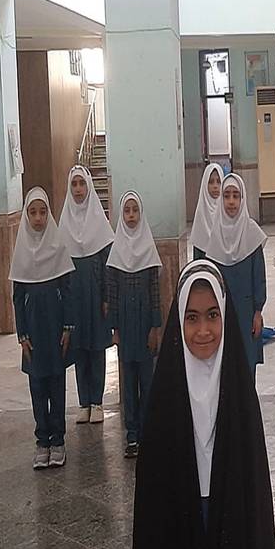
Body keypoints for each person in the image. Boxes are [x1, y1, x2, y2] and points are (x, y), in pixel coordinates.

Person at [131, 260, 275, 549]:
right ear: (178, 322)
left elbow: (251, 507)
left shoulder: (241, 400)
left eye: (213, 315)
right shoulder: (163, 403)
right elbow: (154, 516)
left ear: (226, 317)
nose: (203, 331)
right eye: (192, 317)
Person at [10, 188, 76, 471]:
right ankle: (42, 441)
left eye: (42, 212)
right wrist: (22, 335)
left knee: (57, 385)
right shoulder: (21, 252)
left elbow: (68, 292)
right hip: (33, 335)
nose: (38, 218)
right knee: (37, 386)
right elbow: (17, 297)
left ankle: (58, 440)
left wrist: (68, 328)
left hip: (55, 331)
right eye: (33, 212)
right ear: (26, 215)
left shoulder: (57, 248)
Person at [106, 190, 163, 460]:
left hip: (145, 326)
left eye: (135, 210)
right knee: (128, 383)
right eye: (126, 211)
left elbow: (155, 292)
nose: (131, 216)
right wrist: (114, 330)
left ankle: (148, 432)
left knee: (147, 381)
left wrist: (155, 327)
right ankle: (132, 434)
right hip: (126, 327)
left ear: (141, 214)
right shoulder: (116, 252)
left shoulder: (148, 249)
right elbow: (112, 295)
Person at [58, 165, 115, 426]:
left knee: (97, 348)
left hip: (96, 299)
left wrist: (106, 298)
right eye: (74, 184)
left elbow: (107, 266)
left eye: (82, 184)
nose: (79, 189)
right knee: (79, 348)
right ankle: (83, 403)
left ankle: (97, 402)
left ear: (89, 187)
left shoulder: (99, 224)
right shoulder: (63, 227)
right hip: (74, 300)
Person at [203, 174, 268, 377]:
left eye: (236, 196)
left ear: (243, 199)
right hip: (222, 314)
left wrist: (258, 312)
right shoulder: (215, 236)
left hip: (246, 313)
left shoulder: (252, 234)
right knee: (226, 367)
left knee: (247, 366)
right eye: (227, 196)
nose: (231, 201)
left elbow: (259, 277)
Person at [190, 163, 224, 262]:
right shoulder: (201, 215)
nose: (215, 186)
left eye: (219, 182)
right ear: (205, 184)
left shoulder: (226, 213)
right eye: (211, 182)